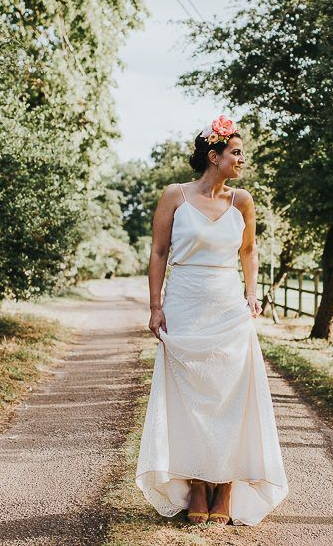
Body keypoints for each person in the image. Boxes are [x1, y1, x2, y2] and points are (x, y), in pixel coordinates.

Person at [135, 115, 288, 526]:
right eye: (236, 152)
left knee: (229, 396)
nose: (242, 159)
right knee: (190, 399)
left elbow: (250, 252)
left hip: (226, 307)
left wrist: (251, 294)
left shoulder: (242, 201)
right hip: (185, 303)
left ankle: (227, 485)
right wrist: (155, 305)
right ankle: (198, 483)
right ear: (214, 156)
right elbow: (159, 253)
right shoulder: (175, 196)